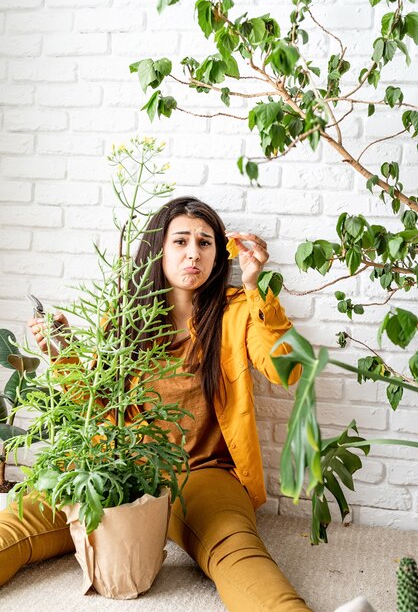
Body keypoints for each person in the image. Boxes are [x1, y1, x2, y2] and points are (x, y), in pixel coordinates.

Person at [0, 196, 311, 611]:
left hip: (204, 473)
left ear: (220, 255)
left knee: (236, 550)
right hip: (122, 467)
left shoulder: (238, 309)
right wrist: (63, 352)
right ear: (158, 250)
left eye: (205, 243)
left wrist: (256, 287)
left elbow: (290, 370)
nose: (193, 253)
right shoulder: (125, 316)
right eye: (180, 241)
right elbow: (99, 405)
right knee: (20, 521)